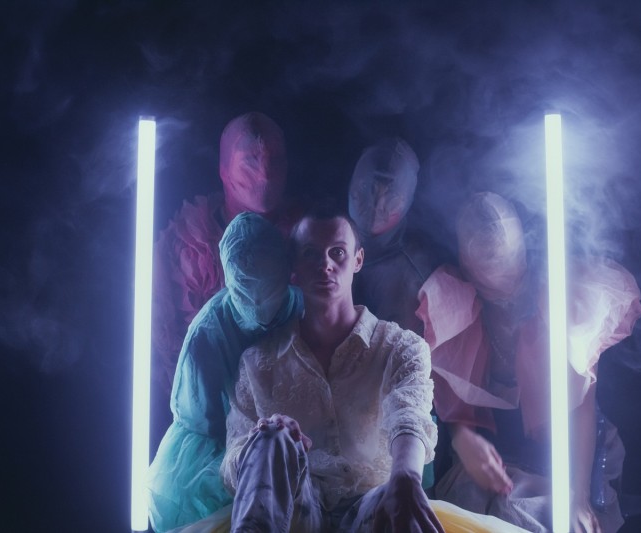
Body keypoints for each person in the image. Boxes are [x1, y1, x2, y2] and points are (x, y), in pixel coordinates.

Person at [416, 192, 641, 532]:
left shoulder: (561, 303)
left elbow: (581, 409)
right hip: (496, 459)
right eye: (489, 264)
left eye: (508, 260)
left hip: (567, 458)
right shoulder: (458, 310)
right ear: (469, 267)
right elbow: (454, 406)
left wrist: (578, 495)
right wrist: (462, 439)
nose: (506, 283)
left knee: (540, 519)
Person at [220, 209, 443, 532]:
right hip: (292, 515)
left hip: (374, 509)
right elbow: (231, 466)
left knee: (398, 500)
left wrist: (406, 477)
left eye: (337, 252)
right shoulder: (257, 362)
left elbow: (410, 416)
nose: (325, 265)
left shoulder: (401, 347)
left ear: (358, 260)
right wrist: (265, 442)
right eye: (311, 254)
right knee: (271, 435)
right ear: (294, 266)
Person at [146, 212, 304, 533]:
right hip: (219, 446)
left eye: (269, 287)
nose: (259, 306)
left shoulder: (302, 308)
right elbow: (203, 420)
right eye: (246, 291)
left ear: (285, 272)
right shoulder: (206, 336)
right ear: (230, 282)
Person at [152, 111, 296, 393]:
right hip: (204, 396)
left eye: (275, 159)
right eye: (250, 160)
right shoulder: (185, 244)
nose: (265, 173)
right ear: (224, 170)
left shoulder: (307, 238)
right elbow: (163, 341)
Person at [349, 138, 445, 335]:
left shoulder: (410, 278)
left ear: (406, 202)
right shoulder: (320, 235)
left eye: (392, 197)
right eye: (368, 188)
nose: (377, 205)